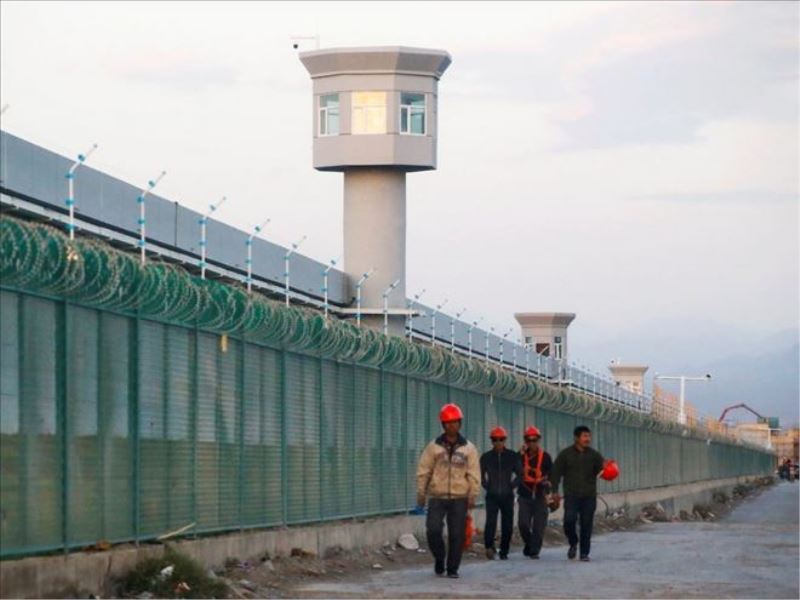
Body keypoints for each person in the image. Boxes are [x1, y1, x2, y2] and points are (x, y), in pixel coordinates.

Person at [416, 403, 481, 579]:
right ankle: (439, 557)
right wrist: (421, 493)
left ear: (460, 423)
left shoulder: (468, 448)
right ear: (443, 425)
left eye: (455, 422)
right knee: (433, 530)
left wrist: (473, 494)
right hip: (437, 496)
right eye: (448, 423)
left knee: (457, 535)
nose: (452, 426)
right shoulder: (433, 448)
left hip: (460, 497)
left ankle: (452, 568)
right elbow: (424, 470)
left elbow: (474, 473)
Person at [550, 425, 606, 562]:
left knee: (586, 524)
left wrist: (609, 471)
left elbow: (603, 470)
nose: (588, 439)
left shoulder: (594, 455)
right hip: (572, 496)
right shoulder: (565, 455)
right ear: (576, 438)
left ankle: (584, 553)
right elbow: (555, 473)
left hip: (589, 496)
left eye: (589, 436)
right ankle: (573, 542)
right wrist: (554, 491)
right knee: (569, 521)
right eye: (585, 436)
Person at [479, 426, 521, 560]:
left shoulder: (512, 456)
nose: (498, 442)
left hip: (507, 496)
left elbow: (521, 474)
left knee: (507, 524)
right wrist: (487, 486)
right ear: (491, 441)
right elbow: (480, 475)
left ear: (505, 440)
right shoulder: (486, 457)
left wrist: (511, 486)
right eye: (495, 440)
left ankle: (504, 551)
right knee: (490, 522)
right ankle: (489, 547)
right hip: (492, 496)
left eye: (501, 439)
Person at [517, 425, 553, 559]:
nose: (531, 443)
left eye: (534, 440)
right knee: (523, 524)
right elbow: (513, 467)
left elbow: (552, 474)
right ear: (525, 441)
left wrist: (548, 484)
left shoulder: (546, 457)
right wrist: (518, 454)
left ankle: (534, 550)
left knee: (539, 526)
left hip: (540, 495)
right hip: (525, 495)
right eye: (529, 440)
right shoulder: (521, 456)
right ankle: (530, 544)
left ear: (538, 440)